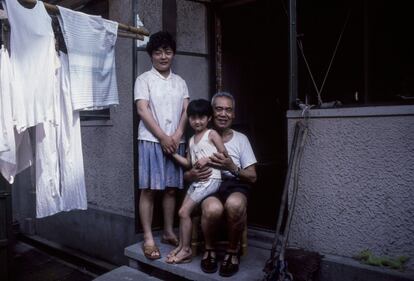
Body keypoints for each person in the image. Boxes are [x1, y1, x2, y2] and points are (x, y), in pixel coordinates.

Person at [184, 92, 257, 277]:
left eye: (228, 110)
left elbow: (252, 176)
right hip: (209, 184)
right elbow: (185, 171)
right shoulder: (197, 138)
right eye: (219, 109)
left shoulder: (241, 139)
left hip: (235, 184)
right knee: (212, 209)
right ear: (211, 113)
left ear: (233, 114)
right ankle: (210, 250)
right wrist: (191, 174)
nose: (223, 114)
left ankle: (232, 252)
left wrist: (232, 167)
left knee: (235, 204)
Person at [134, 31, 189, 260]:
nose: (163, 56)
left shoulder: (180, 82)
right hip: (150, 139)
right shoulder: (144, 79)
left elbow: (186, 110)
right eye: (158, 52)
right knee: (148, 189)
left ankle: (167, 231)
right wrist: (162, 137)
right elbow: (142, 110)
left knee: (170, 189)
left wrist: (176, 135)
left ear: (173, 54)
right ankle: (148, 237)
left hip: (177, 141)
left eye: (167, 51)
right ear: (151, 55)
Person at [165, 99, 227, 264]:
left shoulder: (211, 134)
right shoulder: (192, 140)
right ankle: (182, 246)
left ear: (209, 118)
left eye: (201, 117)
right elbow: (189, 163)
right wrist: (172, 154)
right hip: (198, 181)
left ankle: (186, 250)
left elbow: (224, 156)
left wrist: (207, 159)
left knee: (184, 212)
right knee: (183, 212)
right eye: (193, 118)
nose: (197, 121)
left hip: (211, 179)